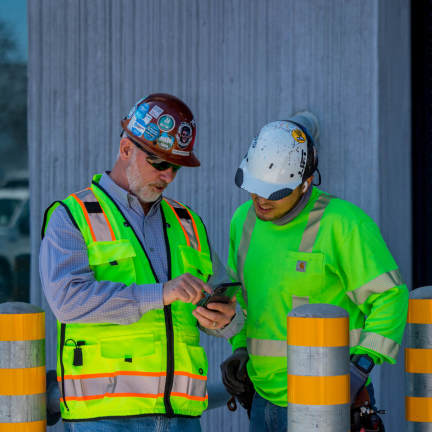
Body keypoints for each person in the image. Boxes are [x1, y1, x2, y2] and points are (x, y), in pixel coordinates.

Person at [40, 93, 242, 432]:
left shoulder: (187, 222)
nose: (169, 176)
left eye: (175, 167)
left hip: (181, 417)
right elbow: (68, 302)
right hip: (104, 419)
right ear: (126, 150)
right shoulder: (71, 217)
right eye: (160, 164)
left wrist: (225, 319)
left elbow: (225, 303)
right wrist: (160, 293)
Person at [220, 113, 408, 431]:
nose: (260, 199)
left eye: (274, 192)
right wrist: (240, 346)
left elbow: (390, 298)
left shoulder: (344, 224)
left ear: (305, 182)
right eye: (254, 188)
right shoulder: (244, 222)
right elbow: (246, 300)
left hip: (328, 403)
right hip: (263, 399)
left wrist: (359, 367)